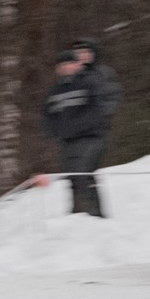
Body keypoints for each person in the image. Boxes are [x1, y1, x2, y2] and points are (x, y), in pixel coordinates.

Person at [41, 50, 109, 217]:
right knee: (71, 177)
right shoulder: (54, 92)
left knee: (83, 173)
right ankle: (76, 214)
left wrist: (79, 126)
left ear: (78, 64)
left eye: (70, 64)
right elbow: (47, 115)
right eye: (62, 65)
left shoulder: (90, 83)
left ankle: (95, 214)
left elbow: (98, 110)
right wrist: (56, 131)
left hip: (90, 137)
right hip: (66, 141)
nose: (66, 68)